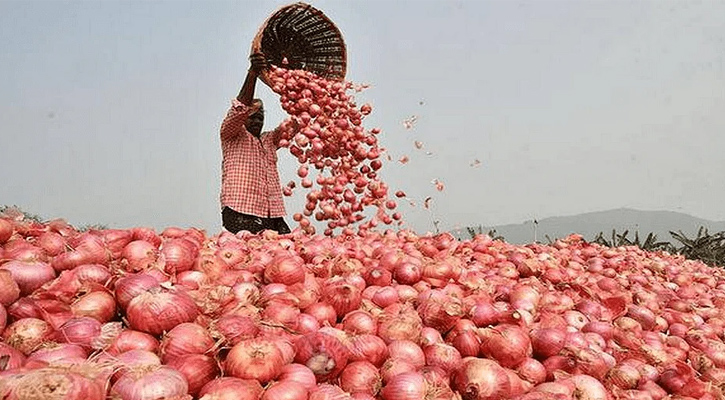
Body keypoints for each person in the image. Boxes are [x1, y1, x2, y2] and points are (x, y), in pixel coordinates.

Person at [218, 53, 291, 235]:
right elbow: (239, 109)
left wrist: (304, 97)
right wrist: (253, 74)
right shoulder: (231, 134)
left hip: (272, 213)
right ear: (244, 119)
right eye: (253, 117)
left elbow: (295, 124)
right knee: (250, 256)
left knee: (286, 252)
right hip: (240, 209)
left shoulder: (269, 140)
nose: (258, 121)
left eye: (261, 117)